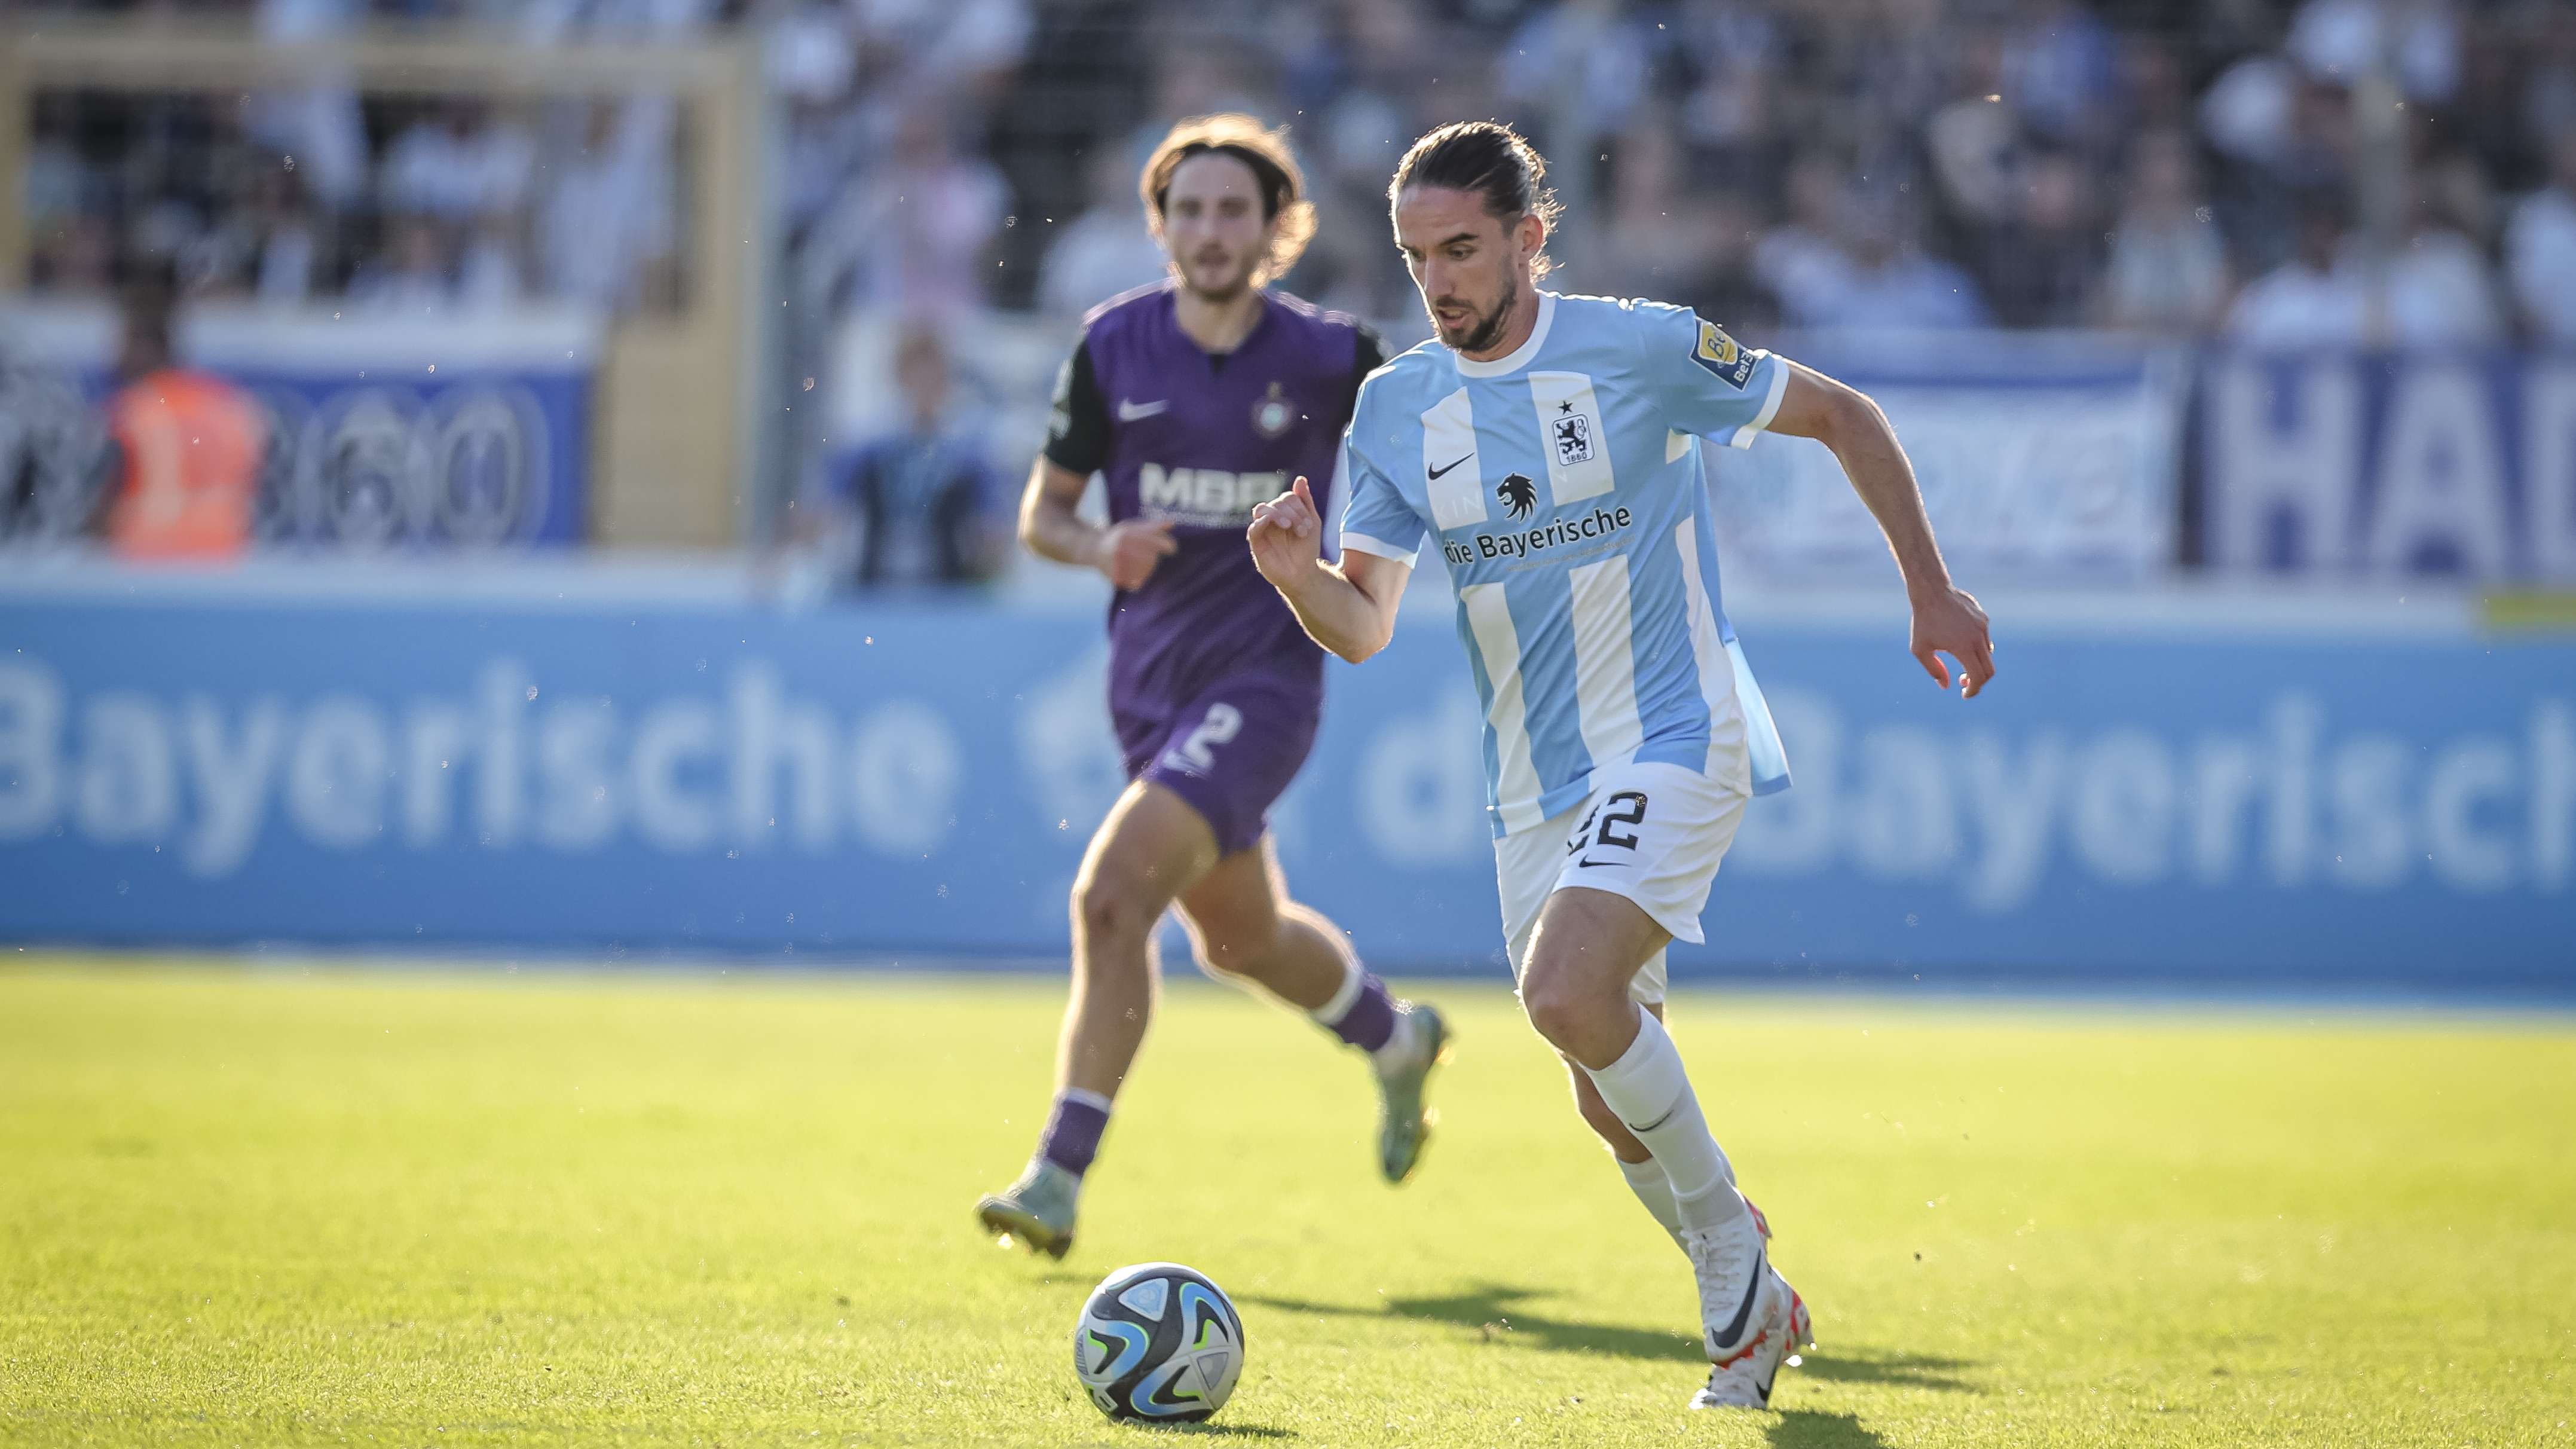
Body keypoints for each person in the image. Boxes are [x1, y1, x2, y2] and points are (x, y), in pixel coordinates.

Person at [1245, 121, 1994, 1411]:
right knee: (1605, 1090)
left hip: (1676, 729)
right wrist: (1294, 578)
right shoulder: (1394, 408)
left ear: (1531, 237)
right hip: (1530, 788)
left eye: (1466, 249)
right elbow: (1362, 626)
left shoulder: (1641, 349)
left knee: (1561, 991)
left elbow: (1843, 414)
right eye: (1417, 256)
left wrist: (1928, 591)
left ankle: (1731, 1272)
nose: (1440, 282)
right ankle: (1755, 1289)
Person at [974, 115, 1450, 1261]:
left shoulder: (1341, 357)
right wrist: (1098, 547)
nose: (1210, 230)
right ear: (1161, 225)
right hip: (1148, 687)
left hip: (1267, 682)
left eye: (1235, 210)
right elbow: (1043, 514)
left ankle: (1057, 1172)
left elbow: (1434, 468)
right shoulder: (1110, 345)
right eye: (1189, 210)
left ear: (1279, 228)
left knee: (1109, 896)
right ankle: (1396, 1039)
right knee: (1236, 939)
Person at [827, 324, 1005, 588]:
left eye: (932, 380)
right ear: (899, 379)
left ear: (946, 384)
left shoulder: (970, 459)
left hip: (945, 599)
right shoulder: (867, 452)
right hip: (873, 595)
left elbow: (993, 532)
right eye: (916, 379)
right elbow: (823, 512)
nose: (923, 389)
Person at [103, 270, 264, 562]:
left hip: (149, 558)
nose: (116, 358)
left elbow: (108, 494)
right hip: (226, 558)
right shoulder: (230, 404)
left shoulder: (136, 408)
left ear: (152, 348)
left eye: (125, 345)